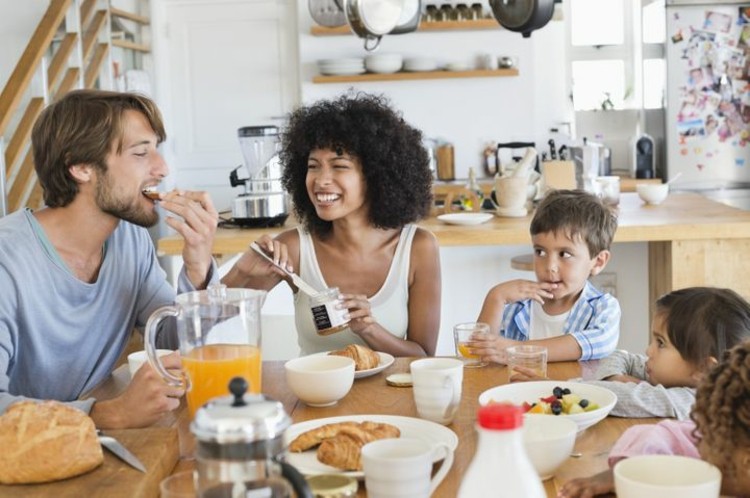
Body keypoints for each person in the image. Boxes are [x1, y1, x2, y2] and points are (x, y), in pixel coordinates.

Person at [0, 90, 219, 429]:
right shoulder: (7, 260)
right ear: (81, 166)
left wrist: (198, 267)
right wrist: (111, 414)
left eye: (156, 150)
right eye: (141, 152)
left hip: (84, 449)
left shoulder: (129, 240)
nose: (162, 169)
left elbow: (174, 344)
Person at [222, 92, 440, 356]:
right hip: (314, 395)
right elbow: (212, 319)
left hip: (391, 397)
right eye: (313, 166)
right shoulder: (294, 247)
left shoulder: (418, 247)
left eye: (339, 166)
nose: (321, 180)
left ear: (376, 176)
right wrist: (240, 271)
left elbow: (424, 357)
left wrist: (370, 329)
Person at [557, 340, 750, 498]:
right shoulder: (725, 433)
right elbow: (661, 435)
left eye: (707, 439)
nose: (698, 439)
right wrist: (615, 476)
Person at [473, 189, 620, 365]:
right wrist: (495, 297)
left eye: (564, 254)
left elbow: (599, 342)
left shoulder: (603, 308)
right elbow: (481, 359)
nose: (550, 266)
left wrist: (518, 351)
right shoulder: (516, 306)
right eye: (540, 252)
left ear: (597, 262)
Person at [583, 287, 750, 420]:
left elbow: (627, 399)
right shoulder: (673, 373)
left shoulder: (698, 401)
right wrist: (614, 377)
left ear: (704, 368)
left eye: (661, 343)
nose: (648, 350)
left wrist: (572, 388)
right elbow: (619, 356)